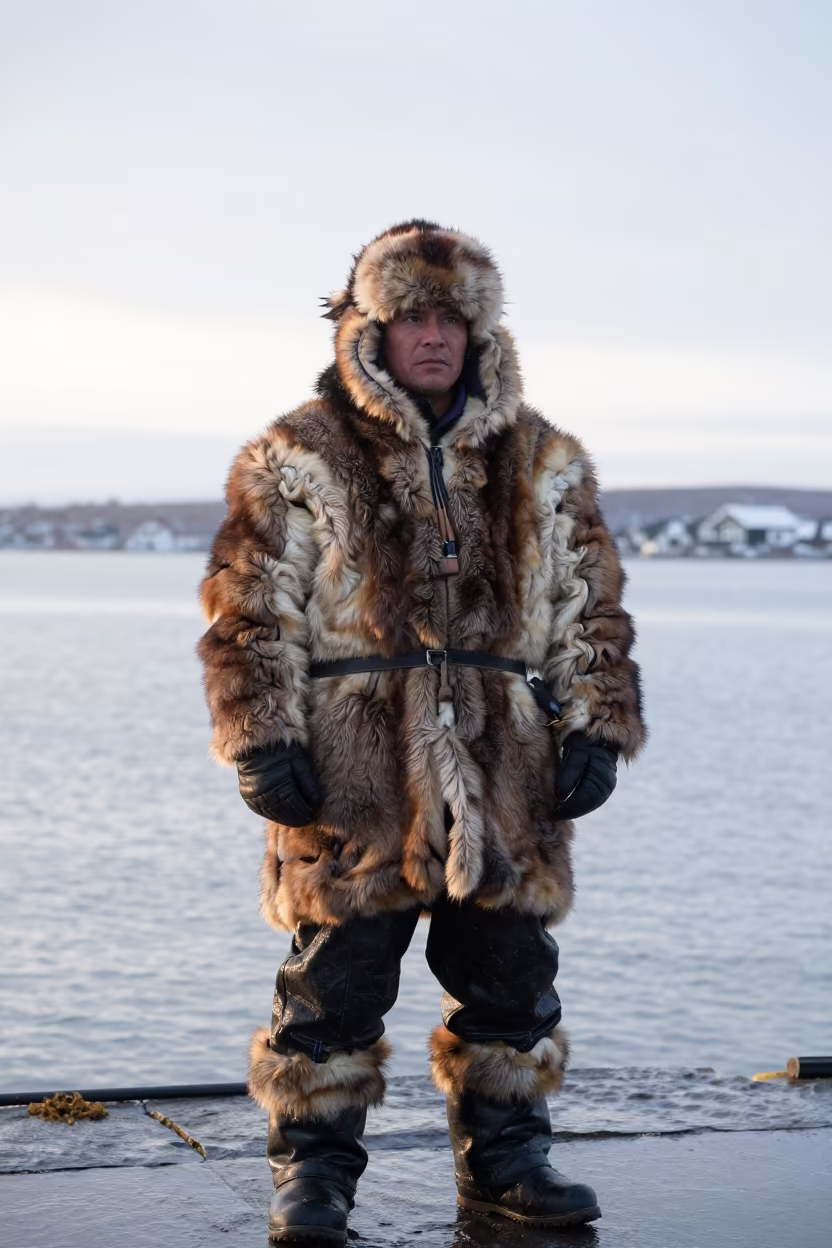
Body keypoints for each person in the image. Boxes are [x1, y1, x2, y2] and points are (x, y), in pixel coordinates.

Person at [198, 220, 646, 1244]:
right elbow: (250, 611)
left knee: (509, 972)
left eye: (452, 317)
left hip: (503, 764)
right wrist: (262, 737)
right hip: (352, 764)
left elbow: (589, 605)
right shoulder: (296, 455)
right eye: (414, 316)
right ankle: (311, 1175)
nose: (434, 336)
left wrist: (594, 725)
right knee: (335, 980)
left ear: (480, 331)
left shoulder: (542, 461)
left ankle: (508, 1161)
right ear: (371, 328)